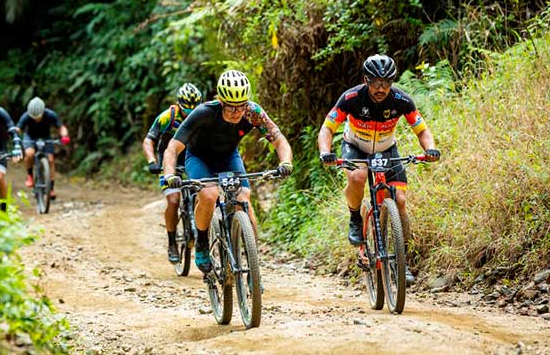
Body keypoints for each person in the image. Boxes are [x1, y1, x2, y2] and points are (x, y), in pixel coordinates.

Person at [316, 54, 440, 284]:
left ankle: (402, 261)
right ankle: (355, 217)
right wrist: (325, 152)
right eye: (375, 83)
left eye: (386, 83)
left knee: (399, 200)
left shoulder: (402, 100)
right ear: (366, 80)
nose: (381, 88)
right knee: (358, 176)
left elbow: (422, 130)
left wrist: (430, 149)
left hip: (386, 149)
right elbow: (327, 128)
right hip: (355, 147)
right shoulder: (351, 98)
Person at [162, 70, 293, 273]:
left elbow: (279, 139)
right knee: (209, 195)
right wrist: (170, 174)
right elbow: (172, 148)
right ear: (221, 101)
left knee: (244, 198)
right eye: (231, 106)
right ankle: (202, 242)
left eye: (241, 106)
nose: (236, 112)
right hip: (199, 157)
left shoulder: (253, 112)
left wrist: (285, 162)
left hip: (228, 157)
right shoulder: (204, 113)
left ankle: (252, 262)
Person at [142, 83, 202, 263]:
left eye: (193, 111)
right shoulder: (167, 117)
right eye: (186, 111)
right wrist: (152, 161)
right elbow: (148, 140)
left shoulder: (203, 115)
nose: (190, 115)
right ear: (178, 105)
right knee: (174, 200)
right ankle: (171, 242)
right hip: (169, 161)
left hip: (192, 158)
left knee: (202, 194)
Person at [16, 97, 70, 199]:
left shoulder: (50, 114)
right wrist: (16, 137)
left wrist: (64, 136)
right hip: (30, 137)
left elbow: (61, 127)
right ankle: (30, 176)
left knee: (50, 159)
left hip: (45, 137)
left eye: (38, 117)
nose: (36, 119)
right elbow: (18, 129)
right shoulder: (26, 116)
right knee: (29, 153)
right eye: (33, 117)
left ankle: (51, 188)